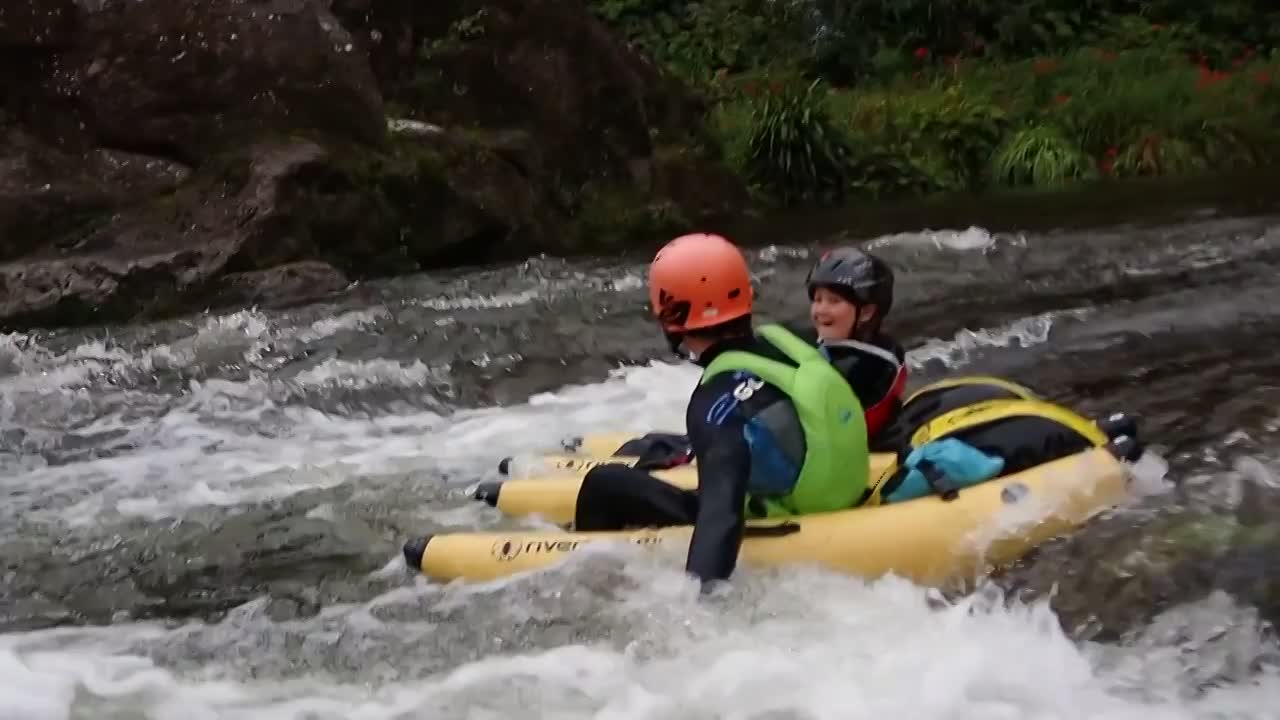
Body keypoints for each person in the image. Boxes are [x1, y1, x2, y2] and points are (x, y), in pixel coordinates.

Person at [574, 232, 873, 588]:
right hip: (844, 489)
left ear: (672, 314)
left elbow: (721, 516)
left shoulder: (713, 406)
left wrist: (697, 605)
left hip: (793, 510)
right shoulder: (791, 342)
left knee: (603, 484)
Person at [613, 246, 909, 471]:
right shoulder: (851, 349)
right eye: (817, 299)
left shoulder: (866, 362)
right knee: (650, 442)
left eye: (834, 301)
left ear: (867, 311)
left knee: (655, 450)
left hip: (823, 460)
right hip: (810, 445)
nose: (820, 310)